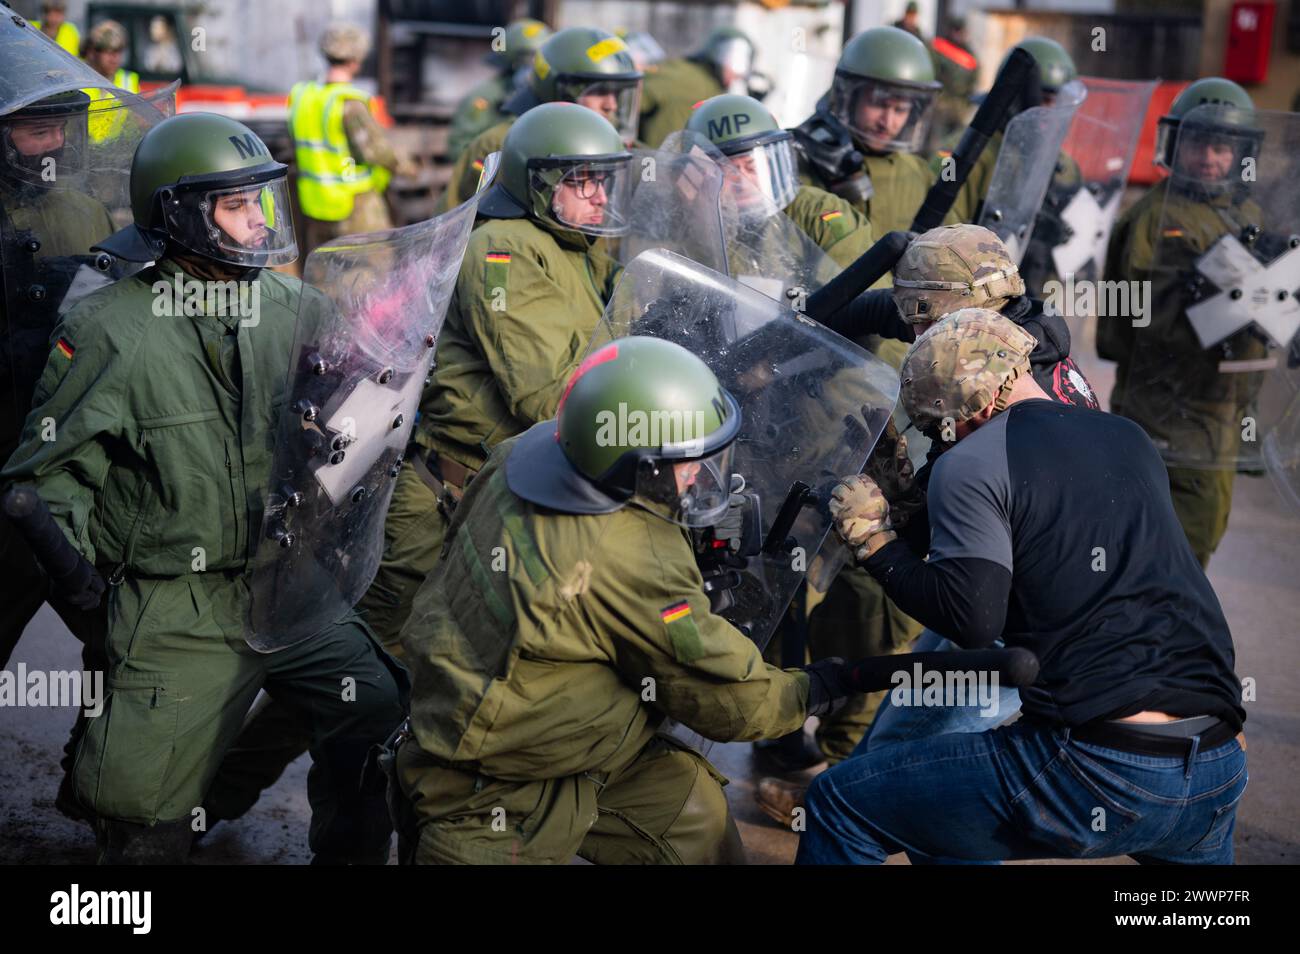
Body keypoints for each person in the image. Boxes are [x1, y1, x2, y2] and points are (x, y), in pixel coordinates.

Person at [201, 104, 635, 827]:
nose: (598, 196)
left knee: (446, 676)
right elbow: (542, 394)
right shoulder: (505, 250)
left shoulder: (578, 251)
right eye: (582, 181)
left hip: (499, 501)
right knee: (363, 677)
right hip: (436, 507)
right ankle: (256, 812)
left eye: (605, 181)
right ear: (538, 184)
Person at [1, 112, 407, 864]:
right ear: (182, 214)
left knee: (376, 708)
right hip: (175, 606)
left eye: (262, 203)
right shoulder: (108, 330)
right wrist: (88, 594)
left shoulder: (295, 307)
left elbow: (346, 424)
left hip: (282, 581)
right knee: (140, 816)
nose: (259, 223)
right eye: (237, 205)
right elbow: (46, 478)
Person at [797, 307, 1247, 865]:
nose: (944, 441)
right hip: (1216, 765)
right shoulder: (1126, 436)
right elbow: (1036, 557)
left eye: (942, 424)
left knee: (841, 801)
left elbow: (973, 619)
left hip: (1097, 772)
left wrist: (875, 541)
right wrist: (910, 506)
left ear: (980, 404)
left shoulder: (974, 460)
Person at [393, 335, 862, 864]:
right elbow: (729, 699)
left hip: (595, 742)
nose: (698, 476)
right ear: (632, 464)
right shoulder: (632, 556)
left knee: (699, 827)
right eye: (685, 461)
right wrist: (818, 688)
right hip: (494, 778)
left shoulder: (526, 452)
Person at [1098, 77, 1277, 569]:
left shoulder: (1244, 212)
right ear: (1175, 144)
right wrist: (1237, 310)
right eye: (1198, 143)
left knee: (1201, 540)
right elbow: (1150, 324)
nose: (1209, 157)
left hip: (1220, 415)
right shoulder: (1159, 218)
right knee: (1166, 559)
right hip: (1166, 414)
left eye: (1222, 146)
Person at [438, 27, 643, 211]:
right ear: (563, 90)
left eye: (617, 93)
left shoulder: (615, 141)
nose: (611, 105)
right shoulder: (502, 143)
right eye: (599, 91)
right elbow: (459, 219)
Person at [685, 94, 875, 268]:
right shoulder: (683, 227)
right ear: (698, 174)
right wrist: (704, 236)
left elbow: (862, 291)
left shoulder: (814, 211)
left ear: (773, 164)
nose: (743, 183)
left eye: (753, 167)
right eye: (725, 172)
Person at [288, 22, 414, 257]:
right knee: (374, 269)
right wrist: (407, 167)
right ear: (356, 60)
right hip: (354, 205)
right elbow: (377, 151)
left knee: (326, 270)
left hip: (315, 204)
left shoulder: (302, 96)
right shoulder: (349, 102)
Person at [446, 18, 551, 160]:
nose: (531, 68)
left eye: (537, 60)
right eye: (527, 59)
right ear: (513, 61)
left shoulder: (547, 96)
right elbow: (460, 146)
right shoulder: (486, 96)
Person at [638, 26, 759, 148]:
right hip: (656, 162)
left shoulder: (715, 89)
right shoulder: (679, 76)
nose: (737, 77)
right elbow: (627, 102)